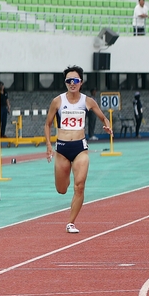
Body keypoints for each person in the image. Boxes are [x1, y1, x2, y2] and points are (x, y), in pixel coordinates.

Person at [43, 66, 112, 234]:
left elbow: (103, 116)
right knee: (62, 189)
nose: (72, 84)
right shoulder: (58, 101)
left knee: (79, 186)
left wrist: (107, 125)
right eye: (69, 81)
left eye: (75, 80)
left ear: (81, 82)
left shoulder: (87, 101)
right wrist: (49, 145)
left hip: (80, 148)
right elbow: (48, 123)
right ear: (65, 83)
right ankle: (64, 178)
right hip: (62, 149)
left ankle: (71, 223)